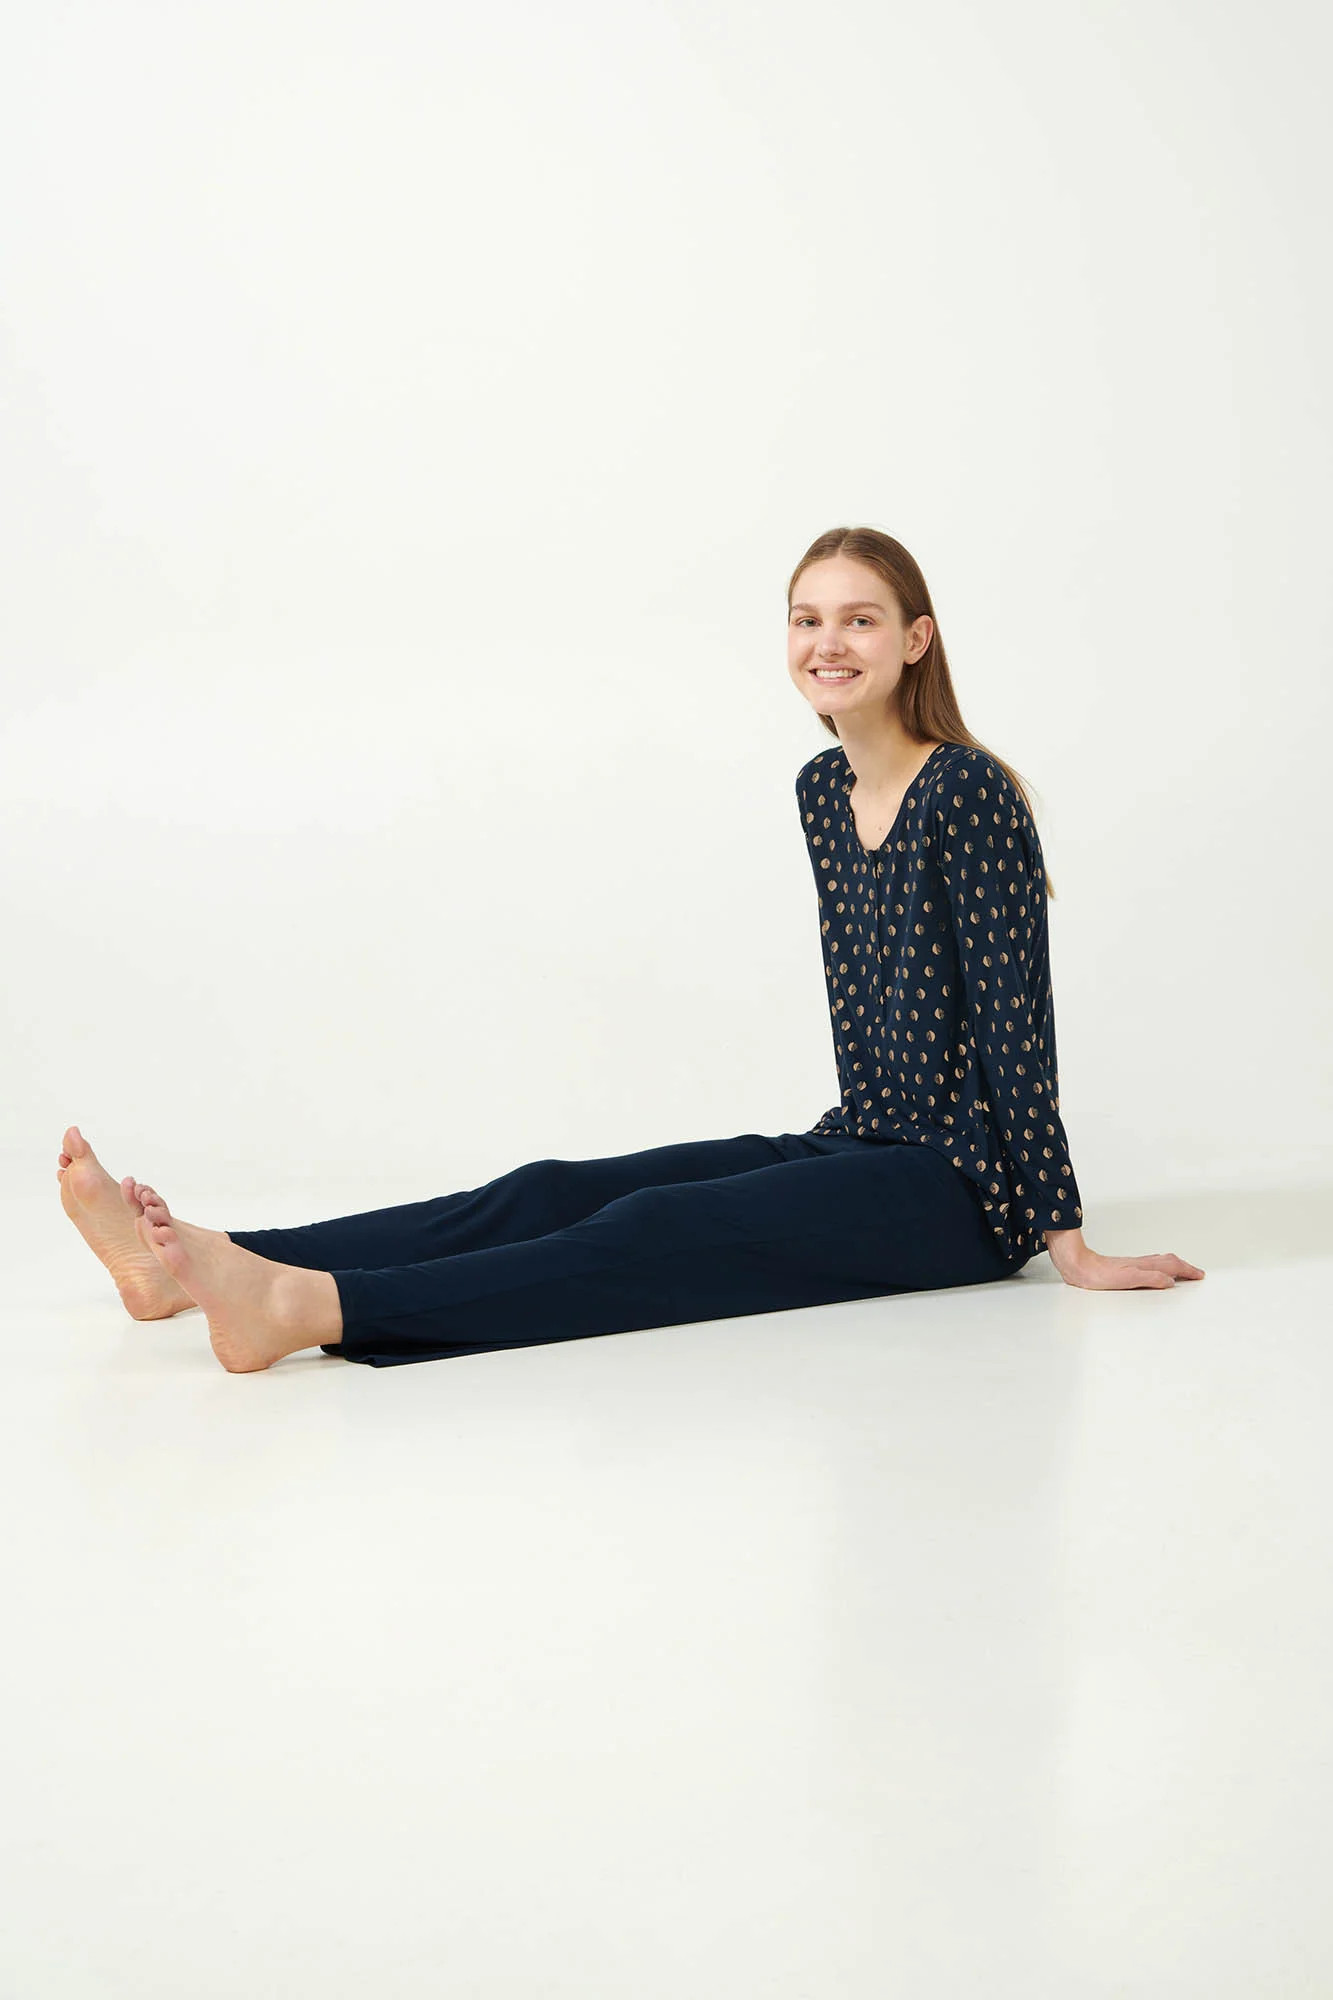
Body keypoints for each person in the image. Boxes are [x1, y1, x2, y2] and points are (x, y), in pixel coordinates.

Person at [57, 526, 1204, 1372]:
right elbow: (863, 1010)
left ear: (914, 640)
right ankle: (197, 1261)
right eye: (806, 618)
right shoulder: (822, 788)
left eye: (859, 619)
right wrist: (832, 1153)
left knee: (658, 1230)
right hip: (862, 1138)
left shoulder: (967, 792)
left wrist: (1065, 1237)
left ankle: (311, 1306)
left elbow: (1015, 1023)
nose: (827, 641)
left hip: (967, 1189)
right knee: (555, 1189)